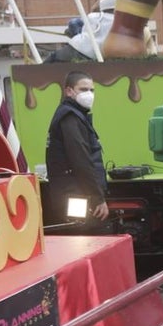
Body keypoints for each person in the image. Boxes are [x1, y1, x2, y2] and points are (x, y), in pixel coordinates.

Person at [45, 71, 108, 226]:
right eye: (83, 89)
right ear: (69, 91)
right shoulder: (70, 117)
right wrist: (97, 198)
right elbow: (81, 160)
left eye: (92, 90)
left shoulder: (75, 115)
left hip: (74, 191)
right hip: (75, 192)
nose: (89, 94)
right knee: (82, 237)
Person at [47, 0, 116, 62]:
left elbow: (73, 22)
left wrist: (75, 34)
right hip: (93, 56)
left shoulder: (93, 16)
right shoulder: (121, 21)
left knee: (44, 68)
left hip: (75, 48)